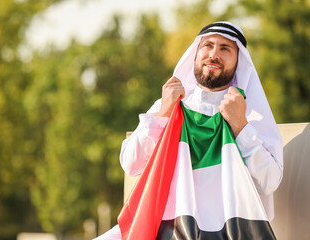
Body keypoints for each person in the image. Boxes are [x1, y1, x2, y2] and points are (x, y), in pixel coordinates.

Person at [95, 21, 283, 240]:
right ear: (195, 53)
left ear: (239, 61)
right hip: (165, 227)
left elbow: (269, 181)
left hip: (230, 232)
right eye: (208, 45)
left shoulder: (250, 114)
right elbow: (131, 164)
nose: (214, 54)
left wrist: (240, 126)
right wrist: (164, 113)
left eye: (225, 48)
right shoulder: (169, 105)